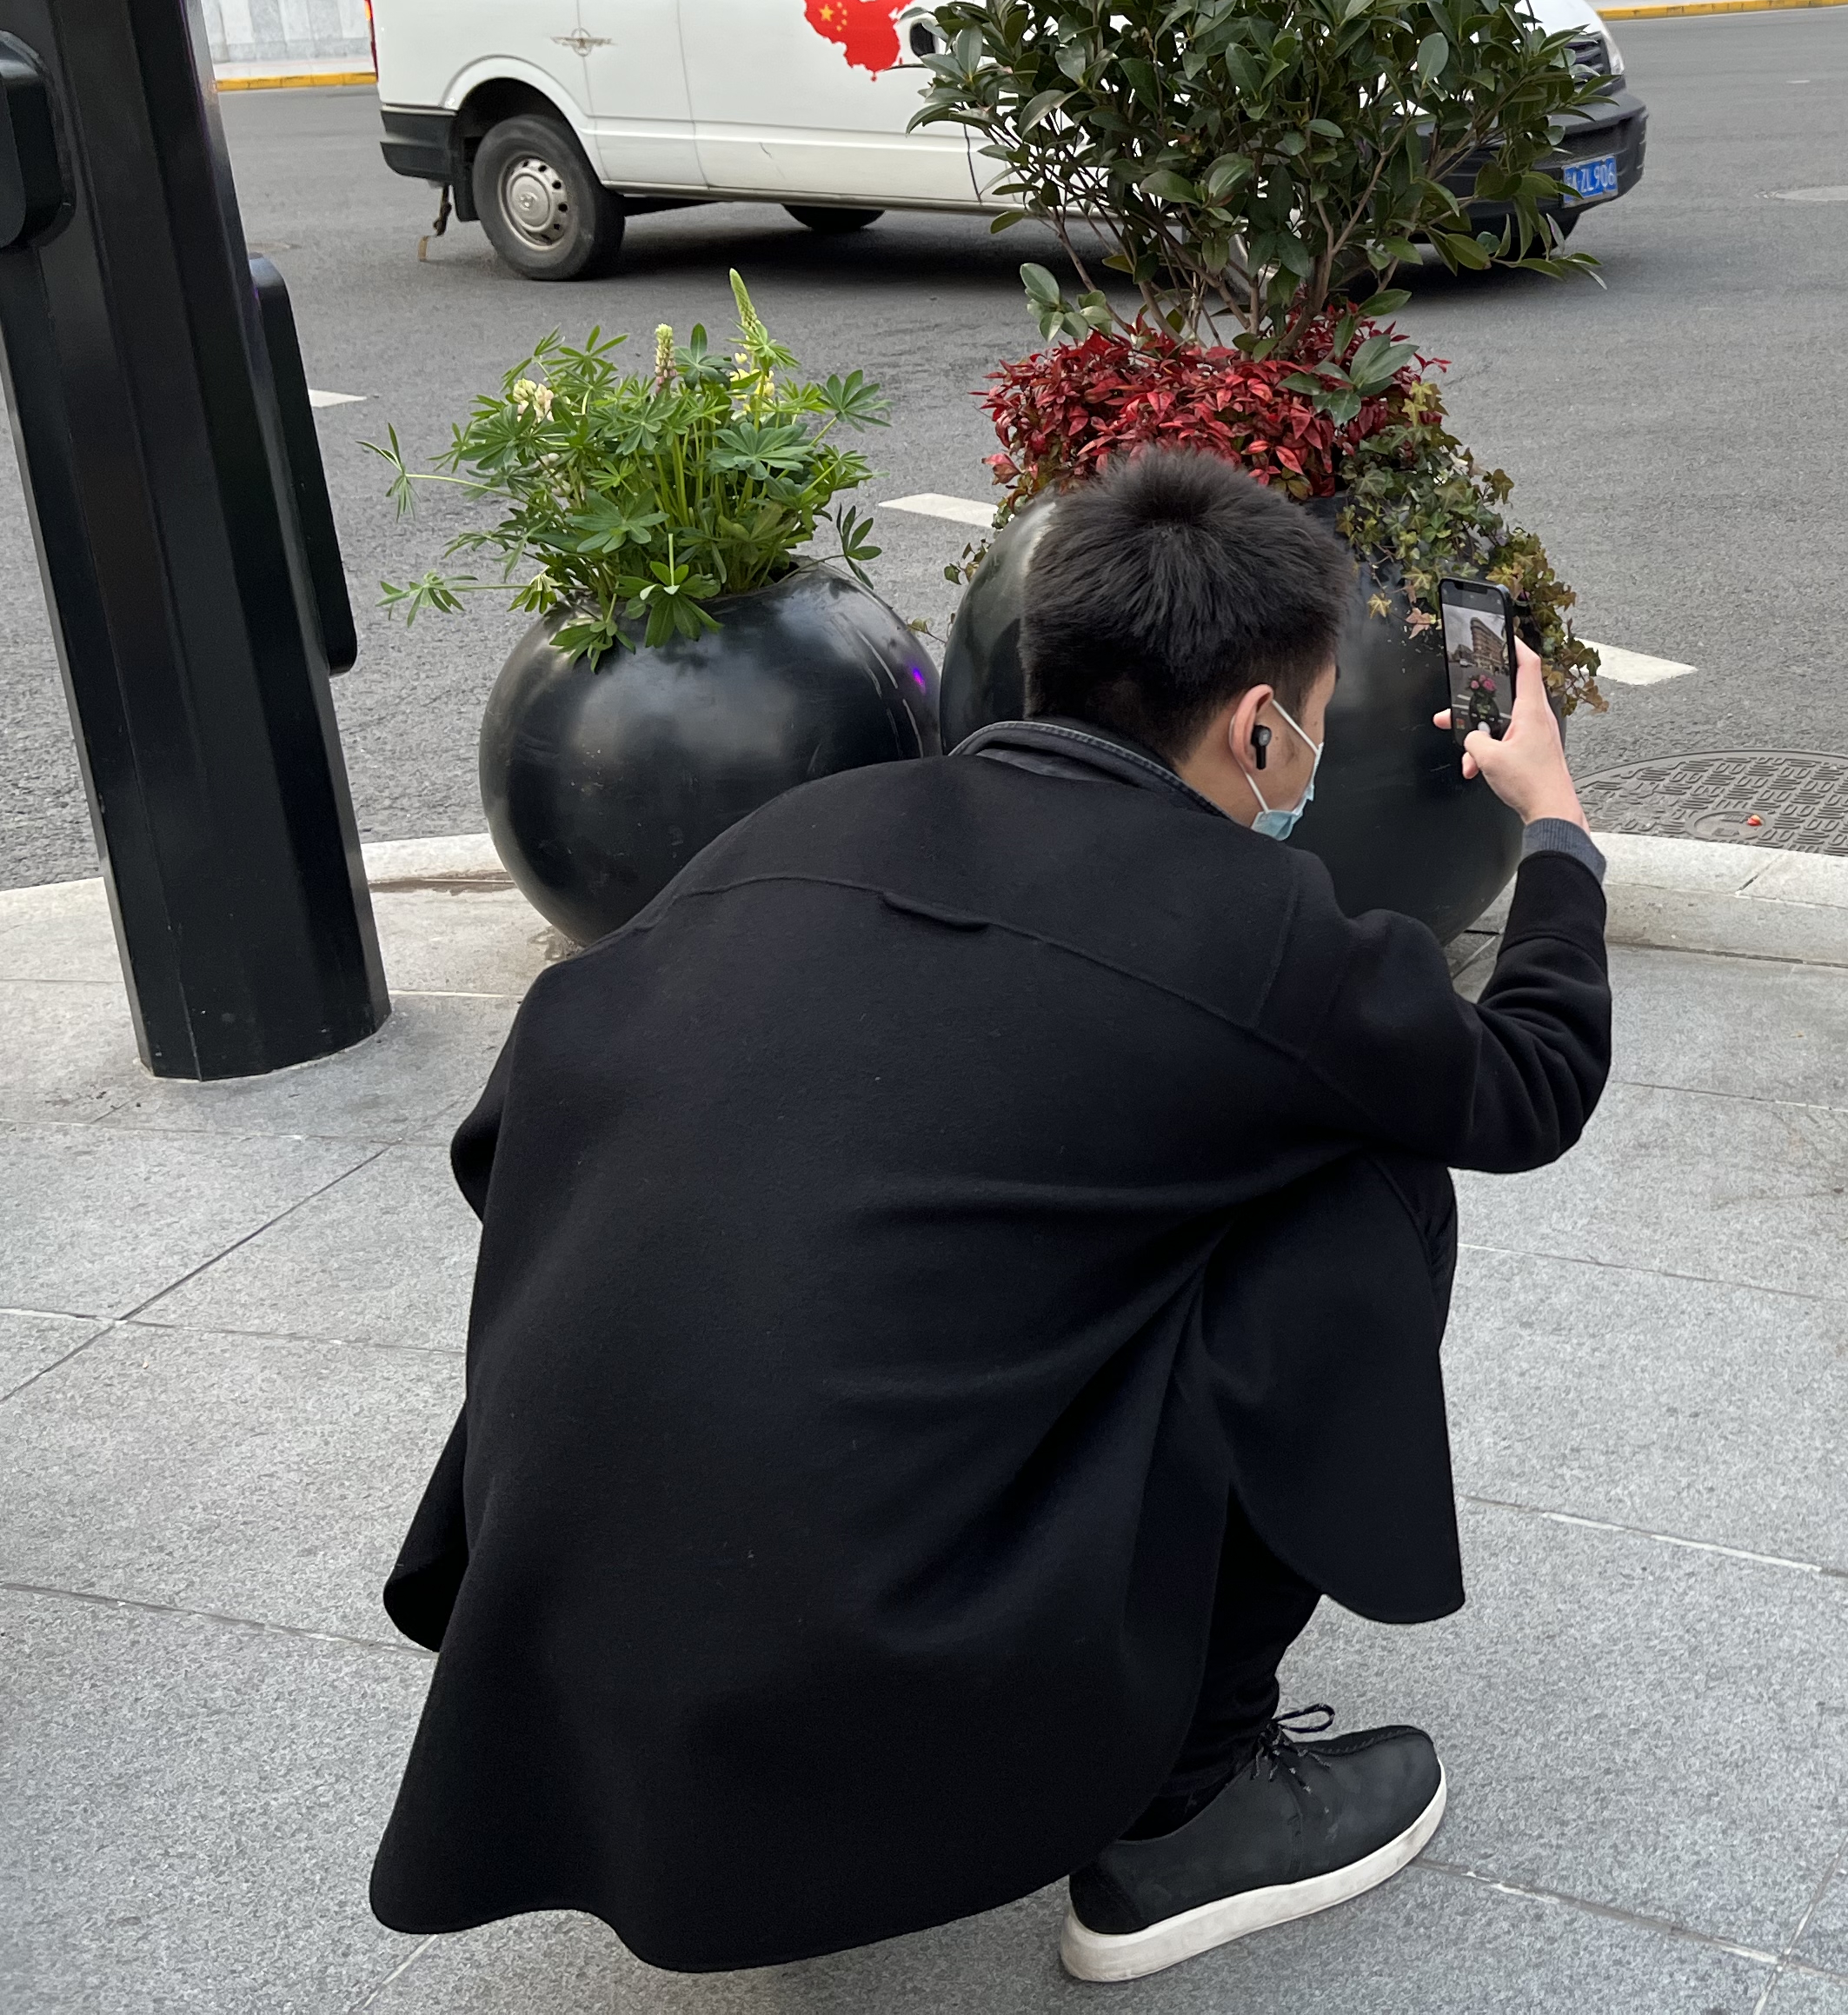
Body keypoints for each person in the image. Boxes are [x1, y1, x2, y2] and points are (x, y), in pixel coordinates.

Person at [364, 449, 1614, 1985]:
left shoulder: (790, 834)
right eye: (1313, 727)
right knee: (1364, 1190)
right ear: (1260, 723)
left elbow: (515, 1131)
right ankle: (1186, 1812)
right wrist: (1553, 823)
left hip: (552, 1629)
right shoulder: (1253, 928)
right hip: (863, 1657)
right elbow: (1531, 1082)